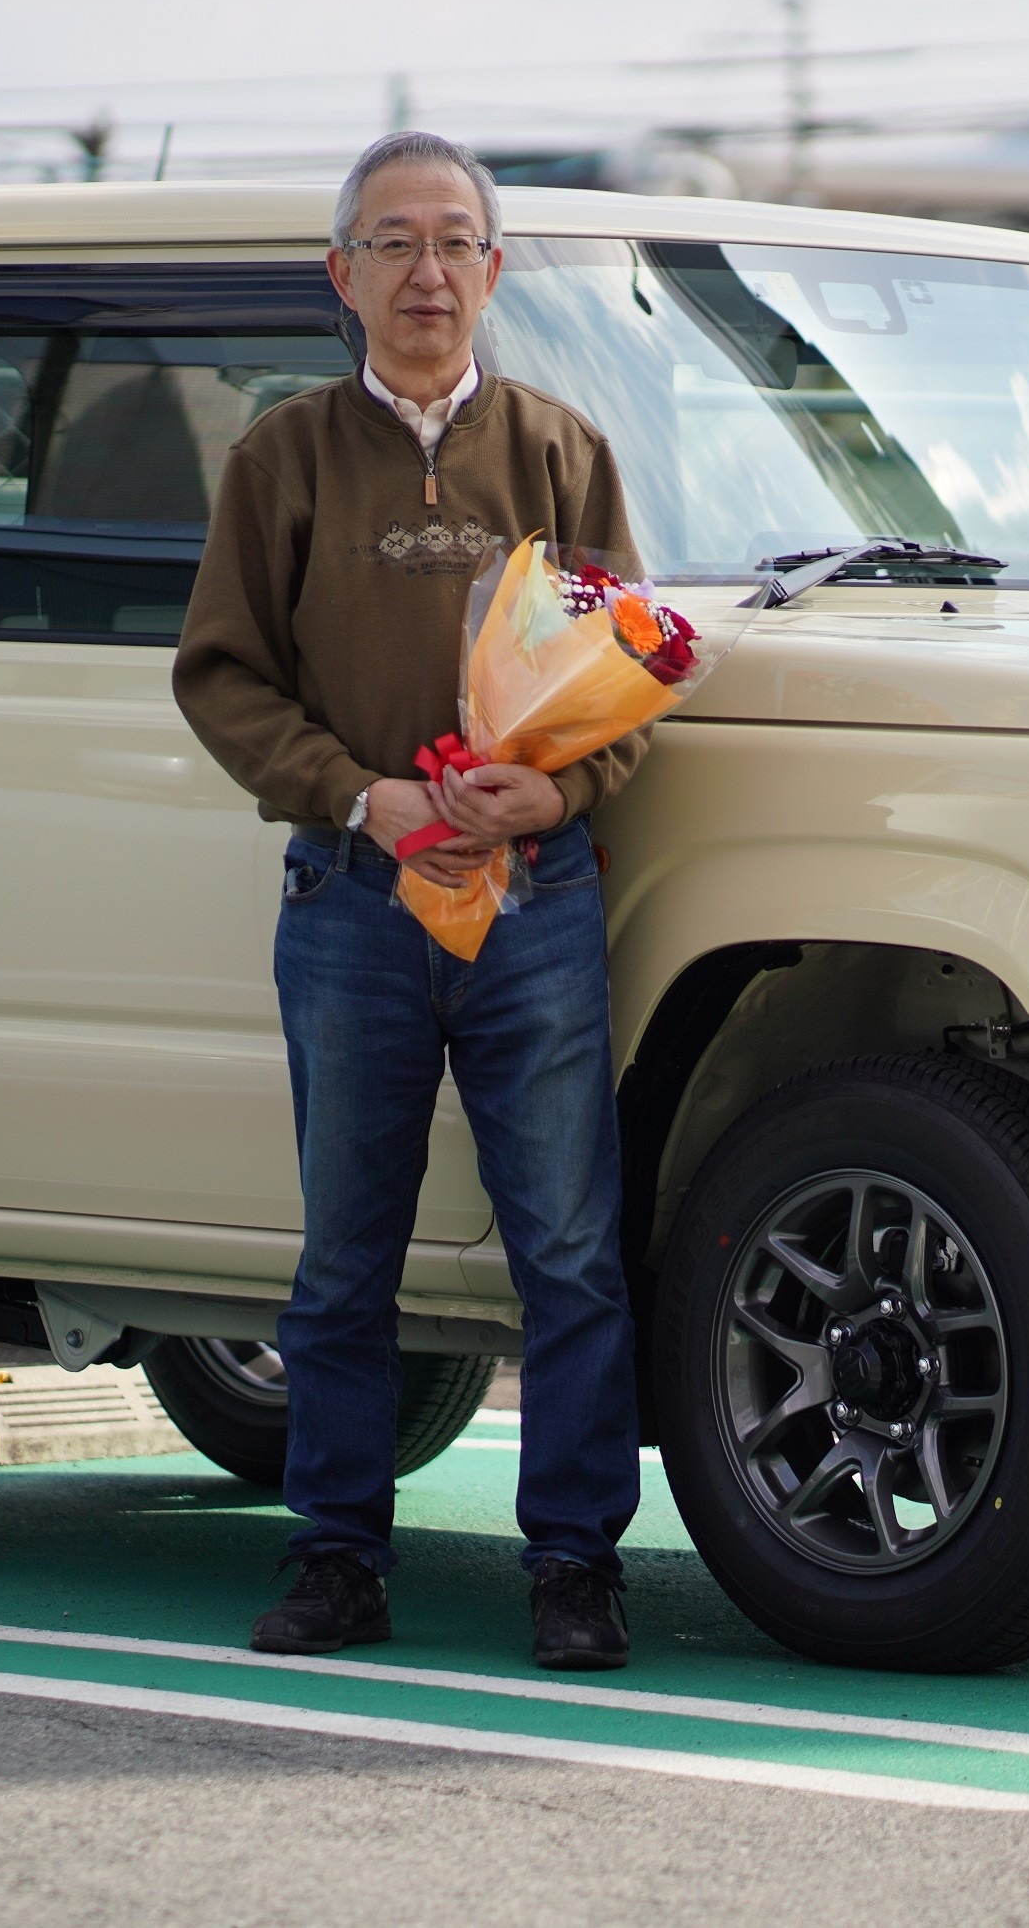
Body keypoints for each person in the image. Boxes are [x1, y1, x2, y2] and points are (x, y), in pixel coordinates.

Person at [172, 129, 646, 1673]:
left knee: (569, 1252)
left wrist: (559, 790)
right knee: (343, 1260)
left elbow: (627, 680)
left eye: (454, 241)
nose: (426, 271)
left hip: (537, 900)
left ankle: (576, 1566)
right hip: (357, 898)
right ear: (343, 276)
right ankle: (336, 1562)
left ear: (496, 272)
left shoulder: (564, 454)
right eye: (392, 243)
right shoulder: (282, 457)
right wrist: (353, 792)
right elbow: (222, 677)